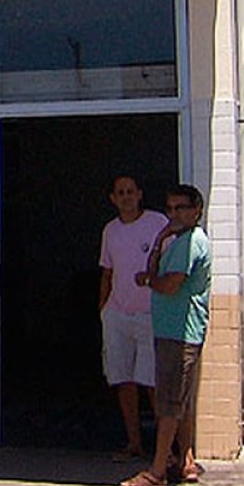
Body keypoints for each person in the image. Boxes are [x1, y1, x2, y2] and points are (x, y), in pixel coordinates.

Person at [119, 185, 211, 486]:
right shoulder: (177, 241)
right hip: (170, 331)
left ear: (196, 210)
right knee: (179, 401)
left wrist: (152, 283)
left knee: (168, 403)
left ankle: (158, 469)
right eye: (170, 208)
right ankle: (185, 460)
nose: (174, 214)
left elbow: (170, 284)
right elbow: (154, 271)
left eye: (181, 208)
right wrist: (159, 241)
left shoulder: (192, 243)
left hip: (180, 334)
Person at [98, 175, 168, 461]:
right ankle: (134, 442)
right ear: (113, 198)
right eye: (120, 193)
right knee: (123, 380)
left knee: (152, 383)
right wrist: (102, 310)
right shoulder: (110, 231)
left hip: (150, 315)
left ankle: (167, 450)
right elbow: (107, 272)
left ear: (140, 194)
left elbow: (171, 261)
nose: (126, 197)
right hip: (117, 315)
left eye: (130, 191)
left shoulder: (158, 223)